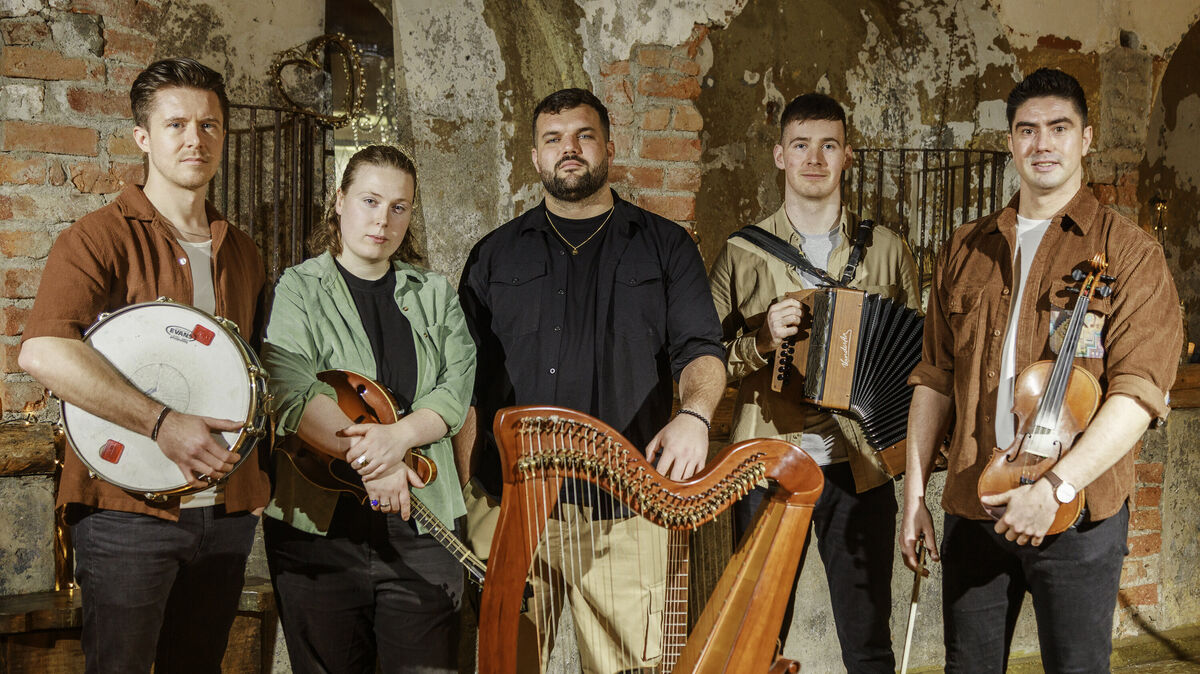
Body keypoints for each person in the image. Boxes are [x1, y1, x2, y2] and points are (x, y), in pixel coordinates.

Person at [899, 68, 1183, 672]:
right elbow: (935, 377)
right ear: (1010, 142)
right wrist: (915, 494)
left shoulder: (1130, 251)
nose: (1042, 144)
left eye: (1059, 128)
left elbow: (1138, 394)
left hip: (1077, 514)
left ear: (1085, 139)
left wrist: (1055, 486)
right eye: (1027, 130)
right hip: (976, 504)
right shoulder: (966, 246)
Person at [458, 87, 726, 672]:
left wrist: (694, 415)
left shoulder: (666, 247)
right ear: (535, 157)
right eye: (553, 139)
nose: (569, 149)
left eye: (583, 135)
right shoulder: (493, 257)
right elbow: (466, 390)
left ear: (608, 145)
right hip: (509, 509)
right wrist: (459, 498)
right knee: (502, 664)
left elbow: (702, 350)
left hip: (626, 516)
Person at [18, 58, 268, 673]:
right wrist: (162, 422)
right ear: (143, 137)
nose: (195, 139)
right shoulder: (97, 238)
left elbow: (256, 372)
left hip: (225, 513)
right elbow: (44, 351)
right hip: (126, 516)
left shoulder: (244, 252)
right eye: (176, 123)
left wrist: (256, 479)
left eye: (209, 125)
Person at [708, 92, 919, 671]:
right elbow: (706, 364)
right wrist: (762, 342)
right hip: (768, 467)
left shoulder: (889, 250)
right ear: (779, 155)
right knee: (757, 637)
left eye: (828, 146)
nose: (814, 159)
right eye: (801, 146)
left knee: (868, 639)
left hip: (861, 468)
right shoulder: (741, 252)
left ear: (846, 155)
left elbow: (915, 361)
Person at [260, 144, 476, 673]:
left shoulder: (435, 293)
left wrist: (397, 441)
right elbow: (290, 389)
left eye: (399, 207)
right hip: (318, 533)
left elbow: (456, 386)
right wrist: (376, 464)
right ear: (339, 202)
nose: (383, 219)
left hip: (424, 527)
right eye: (370, 200)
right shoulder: (297, 287)